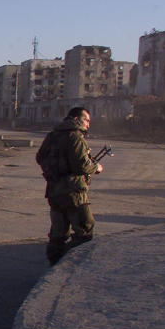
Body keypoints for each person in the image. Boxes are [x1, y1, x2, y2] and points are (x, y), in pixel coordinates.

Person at [35, 107, 102, 265]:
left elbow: (40, 157)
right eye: (86, 120)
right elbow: (82, 166)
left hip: (54, 191)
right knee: (85, 229)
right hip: (74, 193)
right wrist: (96, 168)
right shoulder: (75, 136)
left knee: (58, 233)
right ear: (76, 119)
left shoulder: (53, 135)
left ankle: (55, 263)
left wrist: (54, 170)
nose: (88, 125)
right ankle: (68, 263)